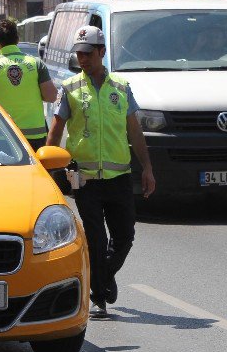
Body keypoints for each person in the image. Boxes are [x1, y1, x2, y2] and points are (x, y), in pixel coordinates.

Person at [46, 25, 156, 316]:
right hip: (85, 179)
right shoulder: (70, 89)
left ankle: (103, 278)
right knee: (95, 239)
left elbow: (135, 131)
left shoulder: (121, 87)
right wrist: (48, 168)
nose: (82, 59)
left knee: (124, 236)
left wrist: (147, 168)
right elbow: (55, 132)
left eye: (88, 53)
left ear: (102, 52)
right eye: (79, 54)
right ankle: (99, 294)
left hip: (119, 177)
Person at [0, 19, 57, 149]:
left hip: (3, 136)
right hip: (35, 136)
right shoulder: (36, 63)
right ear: (17, 39)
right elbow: (51, 96)